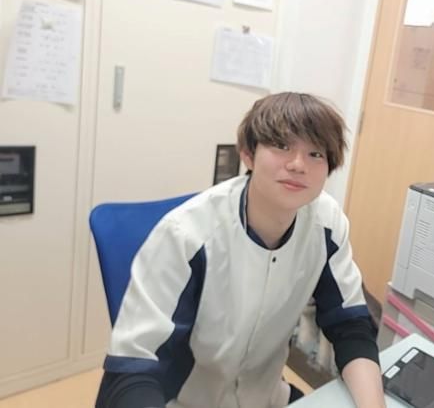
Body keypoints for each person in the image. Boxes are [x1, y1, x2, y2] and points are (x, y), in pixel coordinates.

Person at [95, 92, 386, 408]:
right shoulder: (186, 235)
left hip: (267, 397)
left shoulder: (326, 224)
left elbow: (350, 325)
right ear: (248, 154)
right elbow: (134, 369)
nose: (298, 164)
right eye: (282, 145)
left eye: (315, 153)